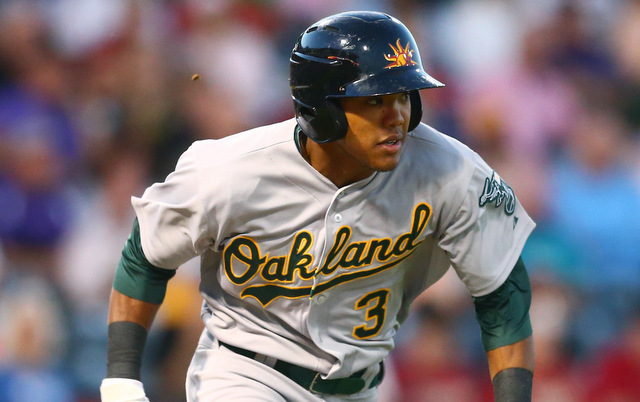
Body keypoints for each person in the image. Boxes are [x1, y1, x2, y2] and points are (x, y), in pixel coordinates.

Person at [100, 11, 535, 402]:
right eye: (374, 100)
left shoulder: (449, 170)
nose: (397, 115)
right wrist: (121, 377)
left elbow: (502, 291)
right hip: (246, 375)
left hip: (362, 386)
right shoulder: (232, 170)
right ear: (320, 109)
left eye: (403, 96)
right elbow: (146, 254)